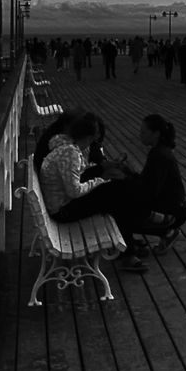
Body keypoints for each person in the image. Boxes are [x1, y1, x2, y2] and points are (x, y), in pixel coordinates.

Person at [39, 112, 147, 271]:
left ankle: (128, 244)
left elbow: (76, 176)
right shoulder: (70, 152)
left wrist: (101, 175)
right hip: (63, 211)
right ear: (88, 137)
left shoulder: (63, 146)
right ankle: (129, 249)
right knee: (116, 195)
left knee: (115, 193)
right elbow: (74, 191)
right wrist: (99, 181)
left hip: (60, 205)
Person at [129, 113, 186, 254]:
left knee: (122, 210)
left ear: (156, 134)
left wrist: (128, 181)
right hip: (175, 207)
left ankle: (166, 231)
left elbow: (150, 190)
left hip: (172, 211)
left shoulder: (159, 155)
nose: (140, 135)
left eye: (143, 132)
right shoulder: (160, 151)